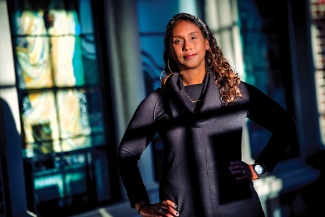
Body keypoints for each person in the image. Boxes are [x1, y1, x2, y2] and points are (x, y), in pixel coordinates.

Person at [117, 12, 298, 217]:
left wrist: (259, 168)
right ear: (171, 50)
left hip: (239, 209)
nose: (187, 46)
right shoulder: (158, 102)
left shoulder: (236, 92)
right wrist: (141, 204)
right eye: (178, 41)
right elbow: (127, 154)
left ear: (207, 43)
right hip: (182, 212)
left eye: (193, 37)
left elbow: (286, 126)